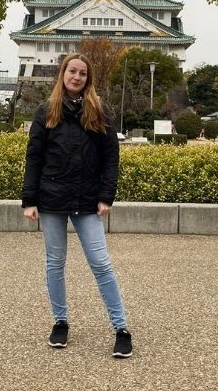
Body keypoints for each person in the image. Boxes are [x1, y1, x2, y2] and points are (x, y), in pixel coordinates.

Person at [21, 53, 132, 359]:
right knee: (55, 263)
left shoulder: (99, 111)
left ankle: (121, 328)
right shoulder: (47, 111)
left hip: (87, 198)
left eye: (83, 73)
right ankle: (60, 322)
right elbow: (34, 157)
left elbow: (111, 156)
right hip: (52, 198)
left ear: (88, 78)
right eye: (72, 71)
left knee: (101, 263)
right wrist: (29, 199)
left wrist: (106, 196)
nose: (77, 77)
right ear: (63, 74)